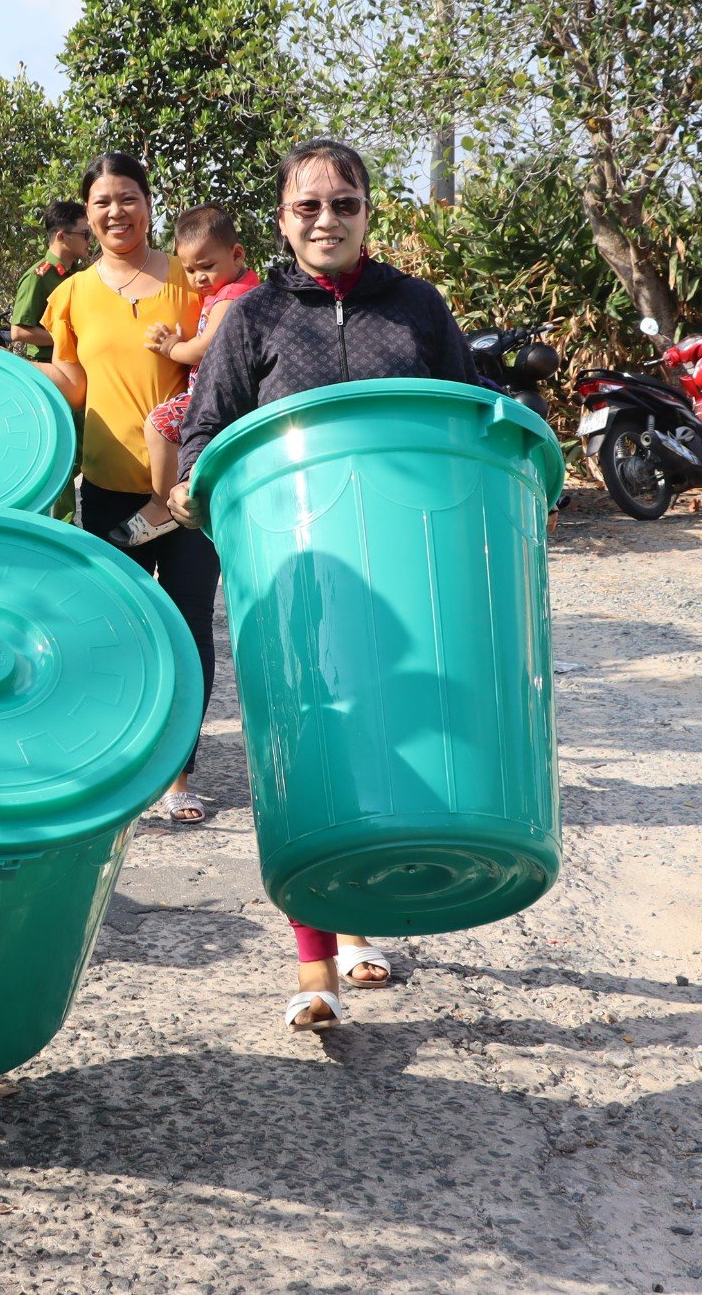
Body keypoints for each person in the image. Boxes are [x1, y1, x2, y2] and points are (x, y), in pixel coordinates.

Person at [169, 136, 483, 1033]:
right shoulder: (255, 318)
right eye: (308, 205)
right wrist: (195, 481)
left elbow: (465, 407)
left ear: (368, 214)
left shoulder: (417, 307)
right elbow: (206, 428)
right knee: (308, 748)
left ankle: (365, 917)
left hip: (407, 570)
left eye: (344, 203)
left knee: (396, 737)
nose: (326, 220)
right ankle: (317, 968)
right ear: (282, 219)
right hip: (294, 574)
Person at [39, 153, 217, 823]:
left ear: (149, 202)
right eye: (102, 202)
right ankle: (121, 759)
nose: (116, 211)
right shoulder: (73, 293)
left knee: (190, 623)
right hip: (110, 489)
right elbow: (72, 381)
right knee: (116, 629)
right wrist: (10, 374)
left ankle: (178, 772)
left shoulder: (187, 277)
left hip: (192, 492)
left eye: (128, 197)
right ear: (87, 214)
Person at [106, 204, 259, 548]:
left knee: (161, 423)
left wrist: (172, 347)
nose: (198, 278)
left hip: (215, 396)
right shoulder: (226, 291)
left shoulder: (232, 298)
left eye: (207, 267)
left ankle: (162, 507)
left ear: (237, 255)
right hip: (216, 393)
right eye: (190, 270)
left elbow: (205, 349)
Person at [9, 200, 91, 364]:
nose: (89, 240)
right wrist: (66, 339)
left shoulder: (77, 274)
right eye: (85, 235)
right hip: (49, 366)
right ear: (62, 236)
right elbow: (18, 332)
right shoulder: (38, 277)